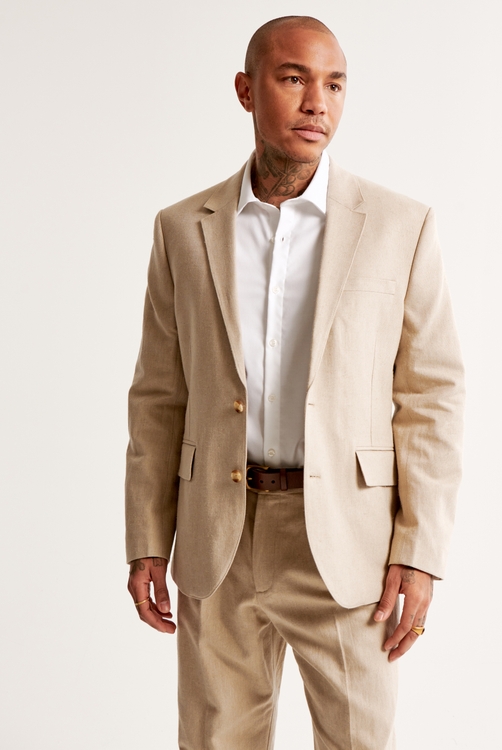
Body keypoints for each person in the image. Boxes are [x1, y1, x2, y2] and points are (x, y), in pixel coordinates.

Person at [125, 15, 465, 750]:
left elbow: (431, 396)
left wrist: (420, 549)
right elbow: (158, 394)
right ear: (246, 91)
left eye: (335, 85)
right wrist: (147, 537)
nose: (318, 102)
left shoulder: (399, 225)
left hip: (348, 542)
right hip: (218, 535)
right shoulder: (183, 228)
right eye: (294, 79)